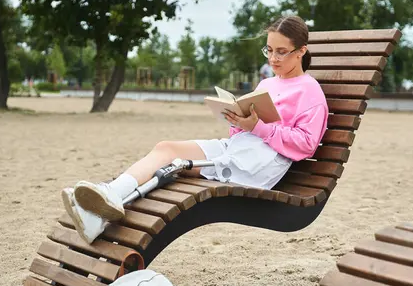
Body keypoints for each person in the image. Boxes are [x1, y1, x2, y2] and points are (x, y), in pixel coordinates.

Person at [63, 15, 329, 244]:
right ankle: (108, 198)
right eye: (268, 50)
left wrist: (258, 128)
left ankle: (103, 205)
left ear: (301, 51)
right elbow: (250, 129)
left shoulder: (310, 92)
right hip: (240, 148)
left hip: (258, 165)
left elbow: (306, 144)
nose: (273, 58)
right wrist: (238, 121)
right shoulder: (269, 84)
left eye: (281, 52)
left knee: (175, 166)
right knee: (166, 148)